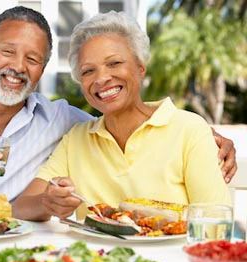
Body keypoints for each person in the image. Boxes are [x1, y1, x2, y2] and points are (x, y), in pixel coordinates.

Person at [0, 7, 235, 222]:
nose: (17, 67)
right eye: (7, 52)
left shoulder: (62, 123)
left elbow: (124, 118)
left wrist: (204, 137)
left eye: (32, 59)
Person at [12, 10, 232, 221]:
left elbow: (215, 222)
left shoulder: (189, 130)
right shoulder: (76, 138)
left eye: (114, 63)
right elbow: (21, 207)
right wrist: (47, 202)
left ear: (140, 67)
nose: (101, 78)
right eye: (88, 71)